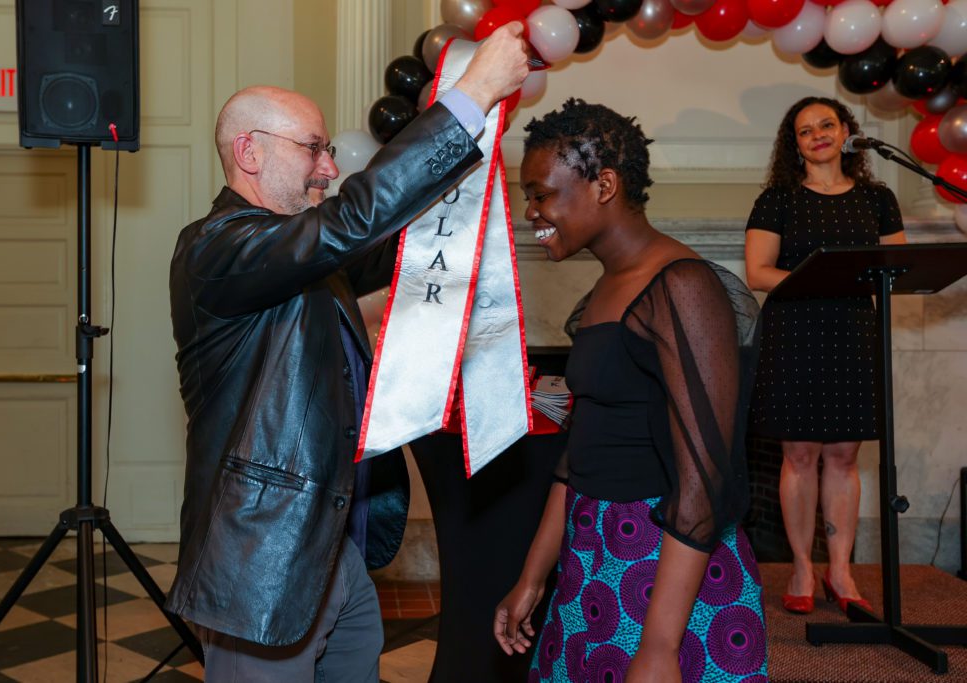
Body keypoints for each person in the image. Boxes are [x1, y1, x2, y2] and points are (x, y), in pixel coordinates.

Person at [164, 24, 529, 682]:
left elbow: (392, 237)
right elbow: (352, 220)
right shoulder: (216, 249)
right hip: (262, 561)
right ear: (250, 152)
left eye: (330, 150)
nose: (330, 167)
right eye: (314, 149)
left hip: (333, 550)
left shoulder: (299, 255)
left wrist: (477, 131)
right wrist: (469, 95)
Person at [494, 99, 766, 683]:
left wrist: (661, 645)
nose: (531, 211)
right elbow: (580, 453)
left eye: (541, 194)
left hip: (663, 564)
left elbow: (703, 478)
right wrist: (533, 577)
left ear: (604, 185)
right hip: (593, 549)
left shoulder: (683, 286)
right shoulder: (601, 292)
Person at [744, 96, 906, 616]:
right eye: (804, 130)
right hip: (796, 331)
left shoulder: (877, 198)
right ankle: (800, 565)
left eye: (826, 124)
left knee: (844, 456)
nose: (817, 134)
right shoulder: (778, 199)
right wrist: (819, 278)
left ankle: (839, 568)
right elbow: (758, 272)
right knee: (799, 455)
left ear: (846, 132)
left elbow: (896, 266)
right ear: (794, 146)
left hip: (854, 333)